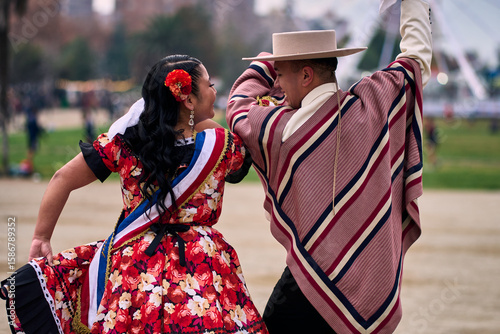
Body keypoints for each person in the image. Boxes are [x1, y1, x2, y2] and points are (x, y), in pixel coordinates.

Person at [1, 55, 267, 333]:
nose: (214, 91)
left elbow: (62, 178)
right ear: (188, 100)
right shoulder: (222, 146)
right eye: (209, 84)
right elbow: (243, 161)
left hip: (134, 266)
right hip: (202, 264)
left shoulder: (125, 144)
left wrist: (41, 236)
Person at [226, 0, 432, 333]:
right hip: (372, 283)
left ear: (306, 75)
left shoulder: (283, 130)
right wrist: (415, 3)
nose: (277, 84)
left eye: (281, 75)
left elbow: (238, 106)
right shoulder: (375, 101)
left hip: (307, 288)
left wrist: (263, 64)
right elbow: (416, 58)